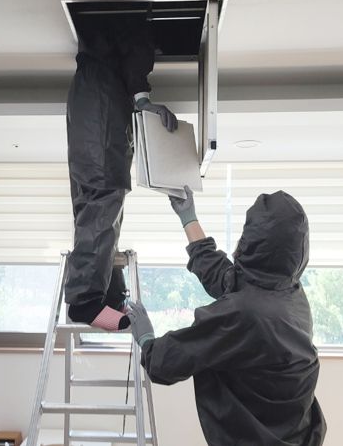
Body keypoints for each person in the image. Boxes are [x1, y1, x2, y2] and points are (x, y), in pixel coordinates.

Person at [128, 188, 327, 445]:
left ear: (251, 242)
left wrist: (147, 341)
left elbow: (167, 363)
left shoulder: (247, 314)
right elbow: (225, 277)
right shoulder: (290, 293)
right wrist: (188, 218)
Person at [65, 14, 178, 331]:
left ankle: (106, 295)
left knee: (95, 202)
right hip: (101, 94)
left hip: (95, 94)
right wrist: (142, 97)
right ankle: (87, 301)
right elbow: (132, 35)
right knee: (103, 196)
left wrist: (141, 98)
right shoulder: (123, 22)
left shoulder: (101, 57)